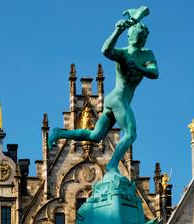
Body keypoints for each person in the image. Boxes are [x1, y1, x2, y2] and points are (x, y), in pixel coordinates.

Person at [48, 11, 158, 172]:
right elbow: (106, 50)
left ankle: (59, 133)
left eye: (142, 37)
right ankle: (112, 165)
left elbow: (155, 73)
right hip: (118, 99)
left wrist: (139, 67)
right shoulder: (123, 53)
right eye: (137, 36)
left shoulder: (147, 54)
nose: (140, 40)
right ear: (130, 37)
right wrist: (117, 31)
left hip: (115, 100)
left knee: (95, 136)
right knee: (131, 134)